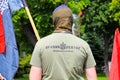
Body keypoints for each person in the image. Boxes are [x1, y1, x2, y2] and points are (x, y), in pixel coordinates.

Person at [29, 4, 97, 80]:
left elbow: (35, 76)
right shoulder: (83, 45)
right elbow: (92, 77)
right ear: (71, 21)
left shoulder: (41, 45)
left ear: (54, 20)